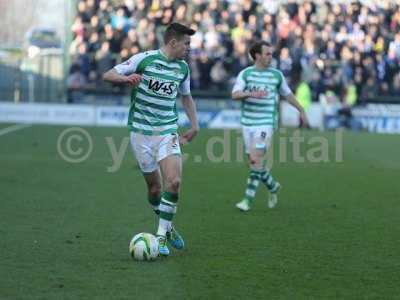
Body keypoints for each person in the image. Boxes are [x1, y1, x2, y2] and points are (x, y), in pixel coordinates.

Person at [103, 23, 199, 256]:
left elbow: (186, 98)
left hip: (167, 130)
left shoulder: (183, 69)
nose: (189, 48)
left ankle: (161, 236)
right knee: (155, 189)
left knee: (174, 182)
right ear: (173, 42)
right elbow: (109, 74)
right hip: (141, 132)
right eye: (186, 44)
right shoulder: (144, 60)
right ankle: (169, 226)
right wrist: (125, 80)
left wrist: (195, 124)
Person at [232, 41, 309, 212]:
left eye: (271, 53)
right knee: (254, 163)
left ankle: (247, 201)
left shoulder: (276, 75)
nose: (270, 57)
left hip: (266, 123)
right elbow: (235, 94)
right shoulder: (245, 74)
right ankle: (273, 186)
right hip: (247, 124)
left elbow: (288, 95)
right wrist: (251, 93)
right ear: (257, 55)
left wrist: (301, 110)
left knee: (255, 159)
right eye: (267, 53)